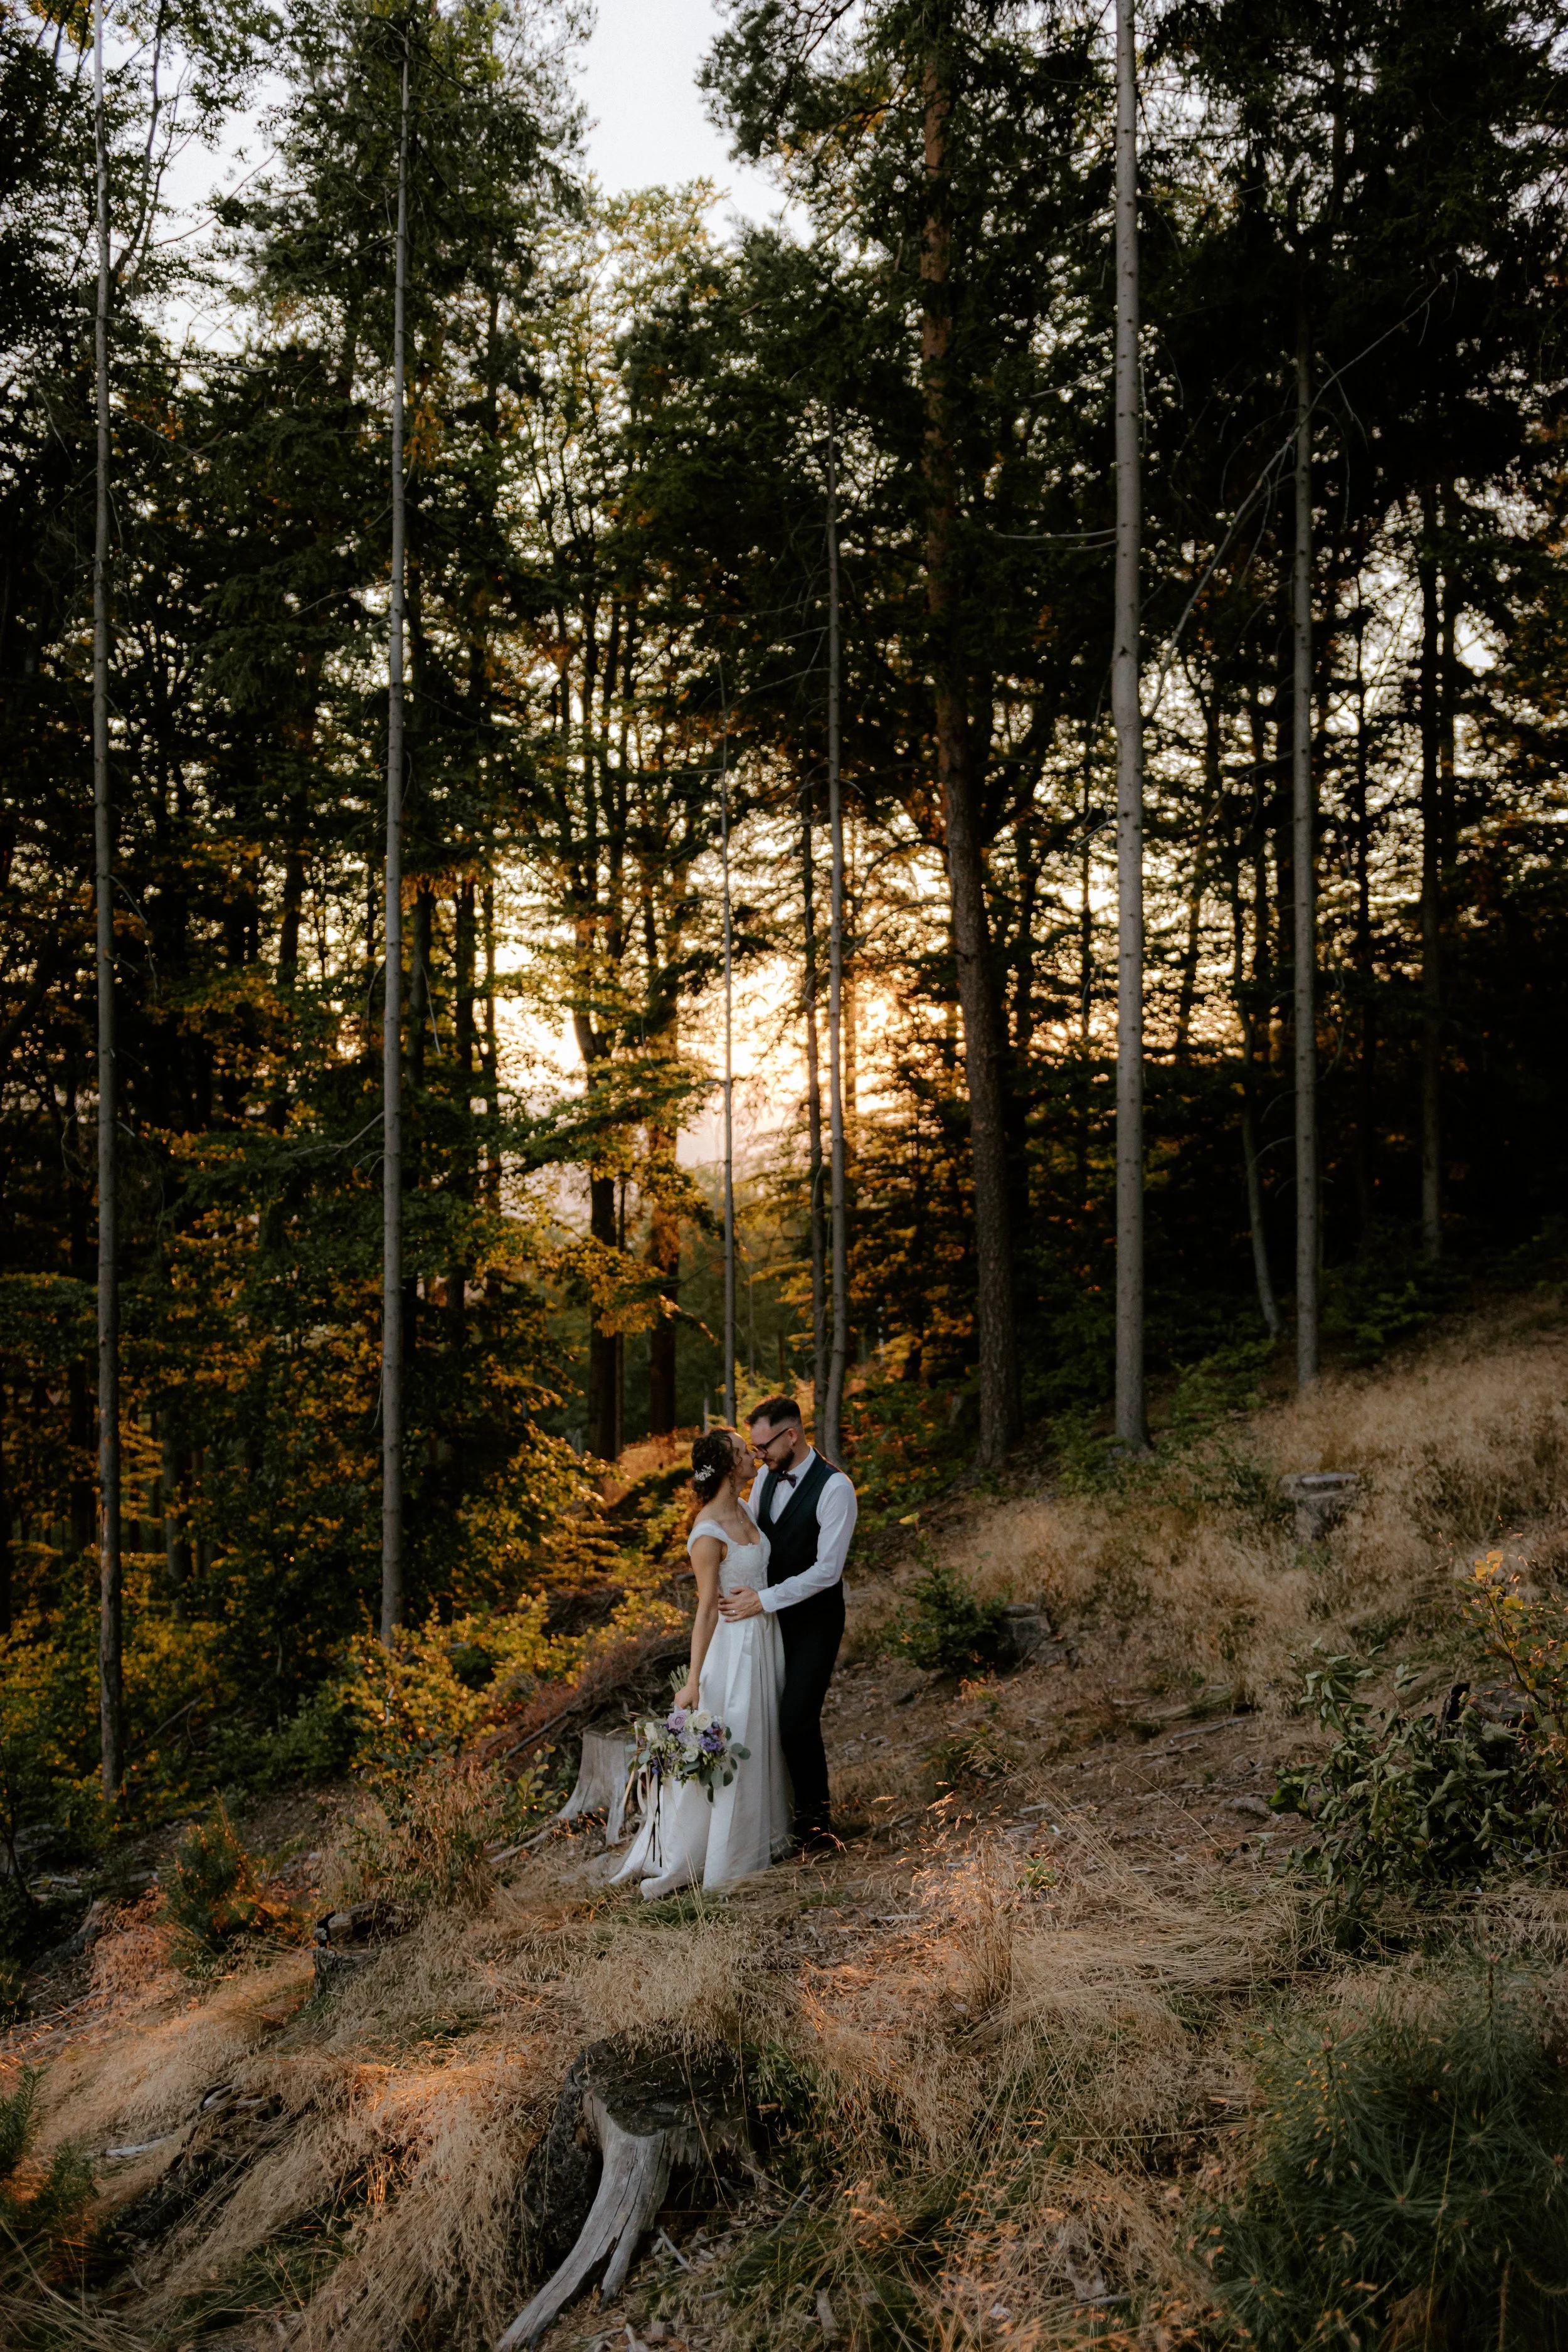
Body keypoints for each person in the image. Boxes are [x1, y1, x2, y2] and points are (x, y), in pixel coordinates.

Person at [612, 1429, 790, 1899]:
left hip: (764, 1640)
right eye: (742, 1451)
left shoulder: (747, 1508)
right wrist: (692, 1683)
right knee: (738, 1739)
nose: (752, 1456)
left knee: (763, 1736)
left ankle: (765, 1836)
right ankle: (722, 1854)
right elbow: (706, 1609)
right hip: (732, 1654)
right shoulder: (707, 1532)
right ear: (730, 1465)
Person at [718, 1395, 857, 1855]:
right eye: (754, 1448)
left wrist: (764, 1600)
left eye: (764, 1446)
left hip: (815, 1621)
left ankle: (818, 1830)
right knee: (767, 1720)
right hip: (767, 1621)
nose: (759, 1456)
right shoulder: (766, 1482)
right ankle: (777, 1823)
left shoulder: (836, 1489)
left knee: (797, 1720)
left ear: (791, 1434)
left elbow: (827, 1570)